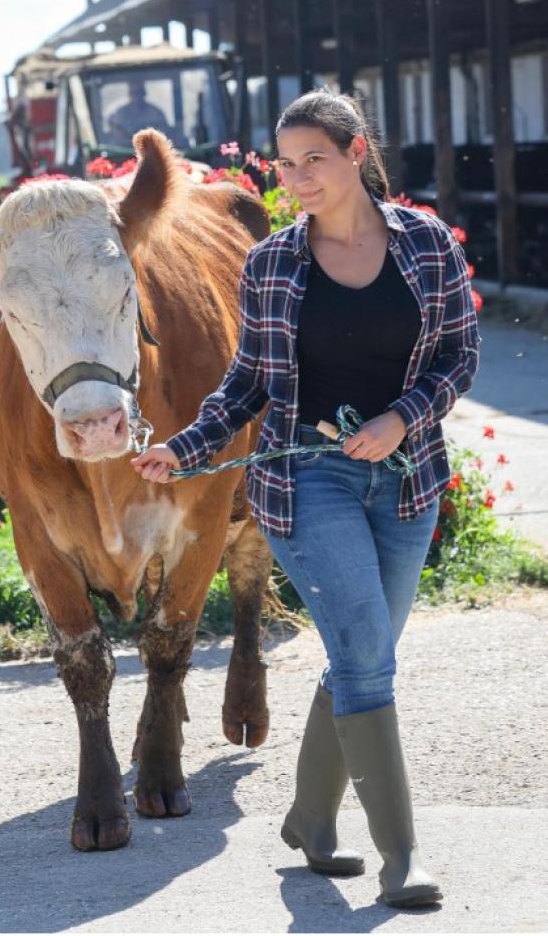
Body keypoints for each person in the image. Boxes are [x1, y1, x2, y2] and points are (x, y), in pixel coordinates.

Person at [130, 90, 480, 909]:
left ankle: (309, 821)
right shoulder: (272, 263)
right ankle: (401, 859)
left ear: (355, 153)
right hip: (306, 480)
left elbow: (459, 355)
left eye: (312, 159)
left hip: (407, 477)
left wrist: (402, 417)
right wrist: (183, 448)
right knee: (365, 651)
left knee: (363, 655)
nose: (296, 178)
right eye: (285, 165)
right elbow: (245, 383)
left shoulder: (424, 244)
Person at [108, 82, 173, 146]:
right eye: (134, 93)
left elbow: (162, 133)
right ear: (129, 94)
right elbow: (116, 132)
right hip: (123, 149)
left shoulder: (156, 113)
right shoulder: (120, 113)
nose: (137, 96)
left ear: (144, 93)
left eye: (139, 92)